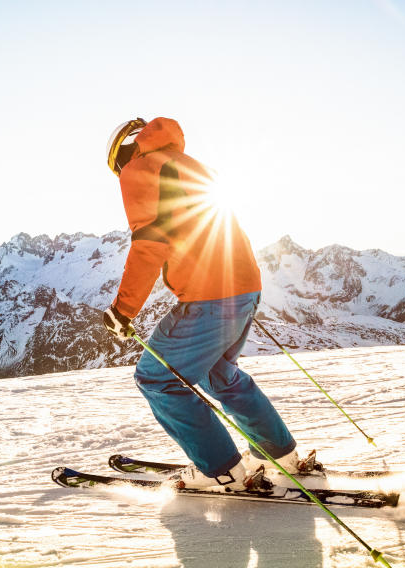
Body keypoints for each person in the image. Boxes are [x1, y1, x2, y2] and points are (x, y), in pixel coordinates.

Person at [101, 116, 300, 490]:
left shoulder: (140, 169)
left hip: (211, 294)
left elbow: (149, 243)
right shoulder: (190, 165)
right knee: (220, 375)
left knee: (155, 378)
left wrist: (123, 310)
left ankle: (220, 469)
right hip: (243, 286)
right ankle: (279, 453)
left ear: (122, 154)